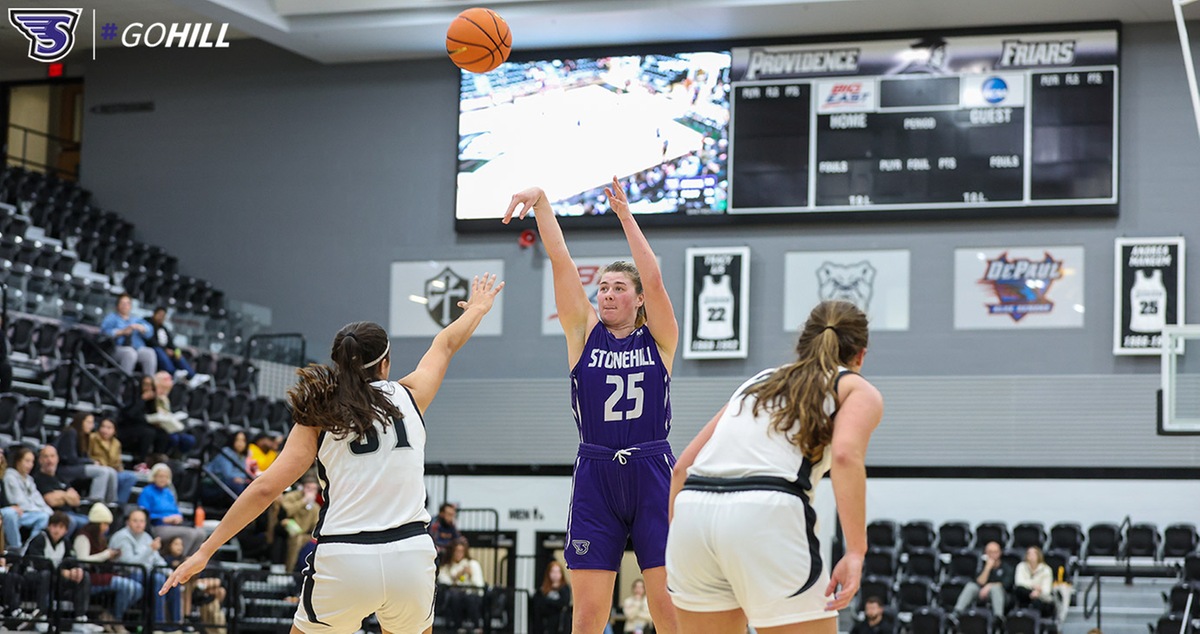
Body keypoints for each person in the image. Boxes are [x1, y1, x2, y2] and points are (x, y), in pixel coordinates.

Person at [159, 273, 503, 634]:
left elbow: (264, 489)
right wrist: (478, 308)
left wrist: (205, 551)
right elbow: (445, 343)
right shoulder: (411, 395)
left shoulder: (318, 416)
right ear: (385, 363)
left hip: (346, 557)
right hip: (410, 553)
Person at [504, 178, 679, 634]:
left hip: (652, 469)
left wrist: (625, 216)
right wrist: (542, 203)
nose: (606, 293)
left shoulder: (659, 338)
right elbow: (561, 261)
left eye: (619, 287)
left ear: (638, 299)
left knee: (667, 605)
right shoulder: (582, 332)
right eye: (602, 287)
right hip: (596, 473)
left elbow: (655, 278)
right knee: (587, 616)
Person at [665, 300, 883, 633]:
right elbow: (844, 456)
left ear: (802, 343)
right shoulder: (854, 387)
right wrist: (855, 551)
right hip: (766, 510)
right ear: (860, 356)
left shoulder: (758, 382)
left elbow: (682, 467)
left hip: (692, 511)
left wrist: (682, 539)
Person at [73, 503, 141, 634]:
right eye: (105, 524)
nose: (107, 527)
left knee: (138, 588)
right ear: (97, 523)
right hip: (89, 578)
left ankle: (110, 616)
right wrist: (105, 554)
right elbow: (83, 560)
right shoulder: (83, 536)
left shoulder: (100, 538)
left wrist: (112, 556)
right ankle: (116, 620)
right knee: (130, 587)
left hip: (103, 575)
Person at [111, 508, 183, 628]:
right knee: (158, 579)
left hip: (147, 574)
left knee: (173, 582)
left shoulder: (146, 537)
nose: (139, 524)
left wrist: (171, 573)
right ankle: (157, 625)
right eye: (135, 521)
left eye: (142, 521)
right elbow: (129, 564)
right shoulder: (122, 537)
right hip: (126, 574)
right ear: (128, 522)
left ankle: (175, 625)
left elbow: (157, 560)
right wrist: (150, 549)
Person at [23, 511, 94, 630]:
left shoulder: (66, 542)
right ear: (49, 526)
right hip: (33, 577)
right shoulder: (40, 539)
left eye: (61, 527)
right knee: (46, 574)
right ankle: (42, 616)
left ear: (66, 530)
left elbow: (72, 560)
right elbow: (39, 564)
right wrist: (62, 572)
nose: (57, 530)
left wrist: (77, 570)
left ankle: (80, 618)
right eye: (54, 526)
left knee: (84, 576)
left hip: (55, 580)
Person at [137, 463, 207, 556]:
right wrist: (162, 519)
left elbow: (175, 509)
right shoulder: (147, 491)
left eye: (165, 477)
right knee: (189, 534)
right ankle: (181, 561)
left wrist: (178, 517)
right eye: (160, 476)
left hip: (174, 525)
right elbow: (144, 513)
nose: (163, 479)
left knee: (201, 533)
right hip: (158, 526)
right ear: (154, 477)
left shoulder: (168, 493)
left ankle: (191, 558)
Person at [54, 412, 123, 504]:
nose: (92, 426)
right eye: (89, 422)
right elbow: (70, 459)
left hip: (76, 467)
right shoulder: (71, 432)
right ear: (81, 422)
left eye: (92, 423)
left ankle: (110, 502)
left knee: (111, 471)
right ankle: (95, 501)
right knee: (102, 471)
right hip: (65, 469)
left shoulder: (83, 436)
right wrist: (91, 461)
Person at [32, 445, 90, 533]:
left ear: (57, 458)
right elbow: (51, 501)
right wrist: (67, 496)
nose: (50, 460)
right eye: (46, 457)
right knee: (71, 522)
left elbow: (76, 500)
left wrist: (60, 495)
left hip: (72, 513)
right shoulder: (38, 479)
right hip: (55, 515)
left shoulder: (60, 477)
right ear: (40, 460)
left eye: (52, 456)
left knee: (92, 523)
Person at [147, 307, 209, 387]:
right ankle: (173, 373)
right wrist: (165, 350)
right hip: (154, 351)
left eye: (163, 316)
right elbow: (151, 341)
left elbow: (171, 344)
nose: (161, 317)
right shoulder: (148, 324)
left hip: (166, 351)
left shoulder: (164, 328)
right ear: (154, 314)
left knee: (178, 354)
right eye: (160, 315)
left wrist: (176, 352)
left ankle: (192, 376)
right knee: (159, 351)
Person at [1, 449, 51, 549]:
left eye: (32, 461)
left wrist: (50, 513)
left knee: (45, 517)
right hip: (16, 512)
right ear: (18, 461)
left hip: (26, 513)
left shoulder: (29, 479)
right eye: (27, 461)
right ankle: (16, 548)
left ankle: (29, 547)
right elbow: (20, 502)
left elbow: (38, 499)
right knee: (11, 514)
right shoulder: (9, 476)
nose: (30, 465)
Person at [438, 537, 486, 633]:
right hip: (454, 597)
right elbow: (445, 583)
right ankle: (458, 626)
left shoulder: (472, 564)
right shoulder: (446, 567)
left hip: (471, 595)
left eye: (461, 551)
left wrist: (471, 575)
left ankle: (477, 626)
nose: (458, 554)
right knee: (455, 596)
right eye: (456, 551)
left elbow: (479, 585)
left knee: (471, 598)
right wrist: (456, 577)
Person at [100, 294, 157, 376]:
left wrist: (142, 328)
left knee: (150, 353)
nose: (125, 306)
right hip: (116, 348)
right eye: (122, 303)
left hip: (136, 348)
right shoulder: (112, 317)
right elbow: (104, 332)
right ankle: (124, 380)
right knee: (130, 353)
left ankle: (148, 383)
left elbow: (150, 332)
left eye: (127, 303)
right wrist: (122, 332)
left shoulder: (136, 319)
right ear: (117, 305)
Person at [275, 476, 323, 571]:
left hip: (304, 533)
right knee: (296, 539)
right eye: (308, 488)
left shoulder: (315, 506)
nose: (311, 491)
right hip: (286, 526)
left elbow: (316, 525)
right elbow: (286, 511)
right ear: (302, 488)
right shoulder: (292, 497)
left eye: (314, 489)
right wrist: (303, 501)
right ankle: (289, 570)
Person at [88, 417, 139, 504]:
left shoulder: (116, 443)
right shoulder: (92, 438)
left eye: (109, 428)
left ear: (114, 430)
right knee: (108, 473)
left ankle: (119, 505)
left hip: (113, 472)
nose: (105, 430)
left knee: (131, 477)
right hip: (98, 470)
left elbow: (118, 462)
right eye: (103, 426)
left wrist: (119, 468)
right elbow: (87, 455)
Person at [954, 541, 1009, 618]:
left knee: (995, 589)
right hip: (982, 593)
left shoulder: (1006, 567)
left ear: (1000, 553)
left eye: (995, 552)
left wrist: (990, 586)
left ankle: (998, 618)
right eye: (989, 552)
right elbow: (979, 582)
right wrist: (987, 568)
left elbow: (1007, 584)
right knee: (971, 586)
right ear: (985, 553)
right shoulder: (981, 566)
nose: (992, 555)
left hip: (1002, 595)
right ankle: (956, 613)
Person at [205, 431, 254, 497]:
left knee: (252, 488)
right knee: (237, 487)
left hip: (228, 484)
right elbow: (227, 474)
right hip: (214, 484)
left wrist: (241, 479)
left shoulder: (242, 456)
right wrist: (239, 478)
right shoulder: (226, 452)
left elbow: (244, 474)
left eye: (243, 441)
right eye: (237, 440)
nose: (240, 443)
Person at [531, 560, 572, 634]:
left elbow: (563, 602)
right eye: (553, 572)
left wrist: (548, 601)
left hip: (561, 624)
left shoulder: (565, 588)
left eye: (557, 572)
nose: (555, 575)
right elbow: (539, 606)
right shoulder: (543, 589)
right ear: (548, 573)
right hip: (547, 625)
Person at [1014, 546, 1054, 616]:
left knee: (1038, 602)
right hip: (1026, 594)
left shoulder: (1046, 569)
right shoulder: (1021, 566)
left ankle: (1036, 621)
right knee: (1019, 589)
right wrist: (1033, 587)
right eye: (1029, 553)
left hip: (1041, 597)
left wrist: (1037, 593)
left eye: (1034, 554)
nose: (1031, 556)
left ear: (1039, 555)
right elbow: (1019, 582)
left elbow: (1046, 590)